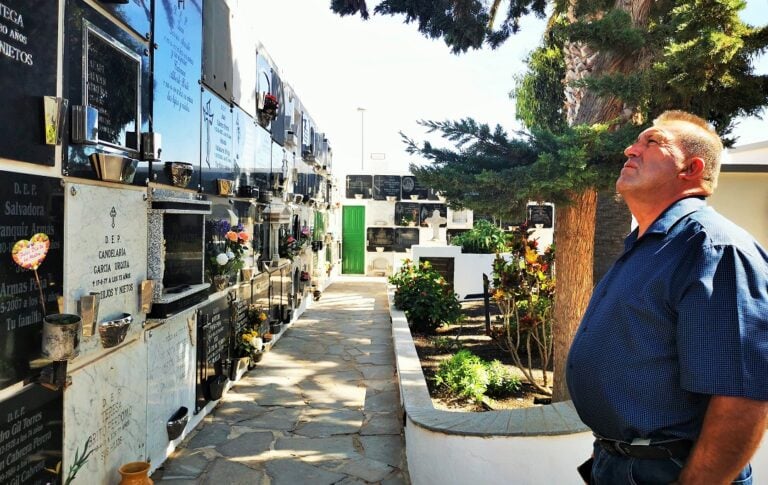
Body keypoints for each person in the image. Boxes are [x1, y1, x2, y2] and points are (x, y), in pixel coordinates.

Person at [566, 110, 768, 484]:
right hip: (621, 463)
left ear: (690, 169)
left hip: (671, 471)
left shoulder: (714, 249)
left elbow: (743, 398)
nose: (630, 149)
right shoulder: (647, 245)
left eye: (652, 142)